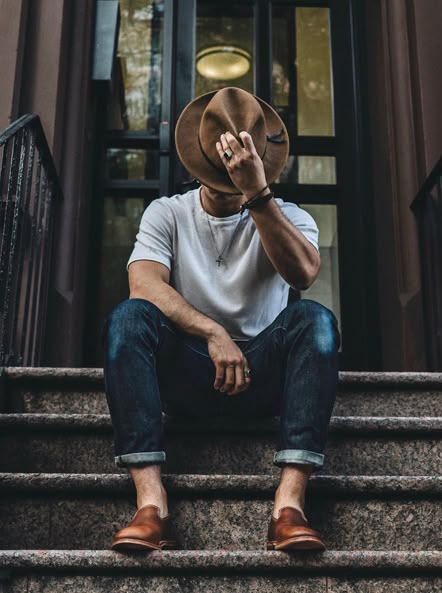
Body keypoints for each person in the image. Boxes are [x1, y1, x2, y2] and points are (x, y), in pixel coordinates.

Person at [102, 86, 340, 552]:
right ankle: (152, 505)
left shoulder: (290, 217)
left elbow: (304, 274)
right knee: (128, 319)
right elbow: (144, 285)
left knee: (316, 321)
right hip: (190, 372)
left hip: (262, 376)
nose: (228, 181)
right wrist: (212, 332)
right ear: (198, 163)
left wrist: (257, 194)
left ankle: (288, 506)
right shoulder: (167, 212)